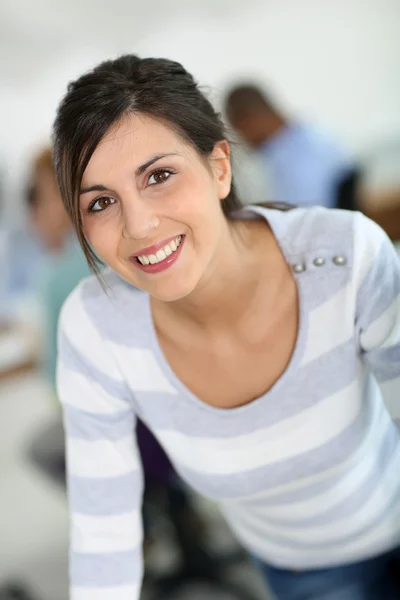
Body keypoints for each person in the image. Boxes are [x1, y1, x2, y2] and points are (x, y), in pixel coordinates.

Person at [53, 55, 400, 600]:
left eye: (159, 176)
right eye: (101, 202)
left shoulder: (344, 256)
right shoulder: (96, 326)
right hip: (304, 575)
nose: (139, 226)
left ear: (219, 167)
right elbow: (104, 534)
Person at [225, 84, 353, 209]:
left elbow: (302, 212)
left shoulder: (308, 149)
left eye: (240, 129)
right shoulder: (276, 151)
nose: (243, 138)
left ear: (253, 118)